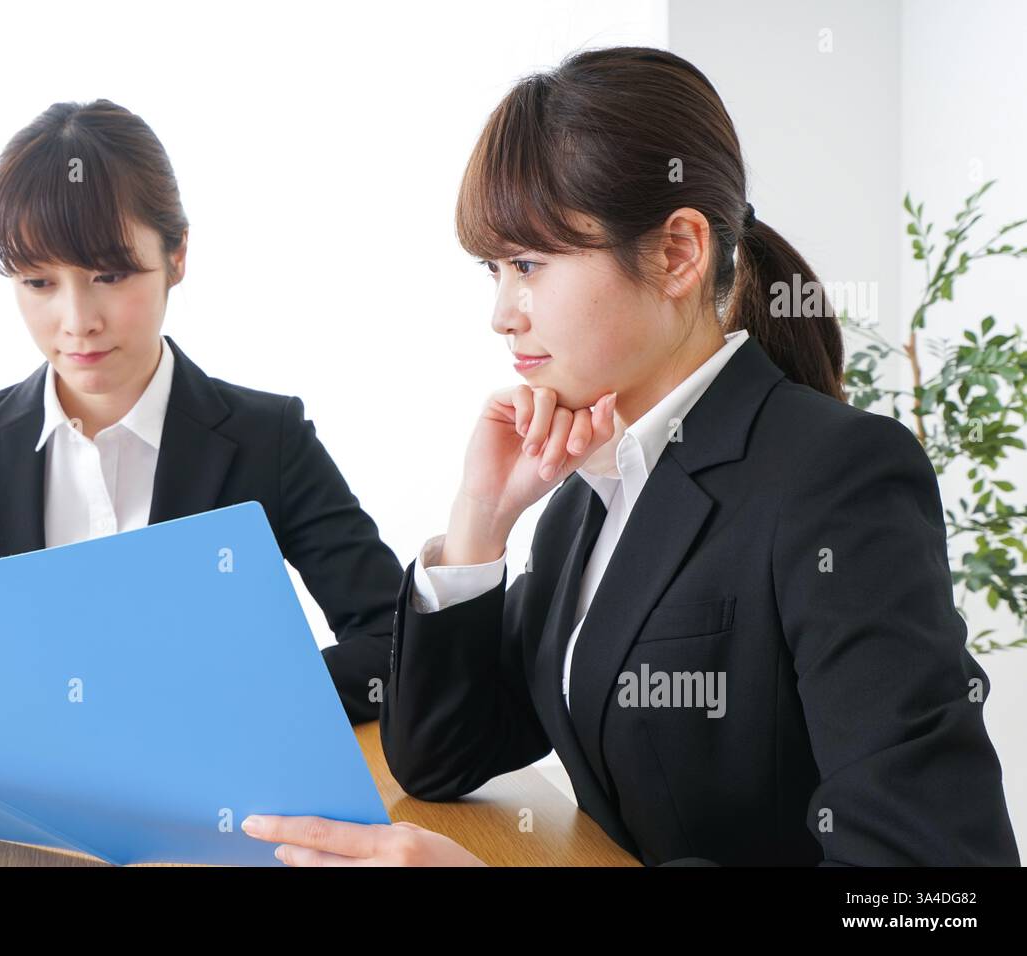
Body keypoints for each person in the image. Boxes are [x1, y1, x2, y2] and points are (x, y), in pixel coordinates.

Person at [240, 46, 1020, 864]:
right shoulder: (590, 494)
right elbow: (442, 757)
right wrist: (480, 521)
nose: (503, 313)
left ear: (678, 253)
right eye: (494, 270)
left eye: (530, 265)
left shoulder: (839, 476)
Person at [0, 99, 403, 725]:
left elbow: (393, 644)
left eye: (109, 276)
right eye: (38, 283)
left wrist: (243, 699)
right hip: (8, 813)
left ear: (177, 255)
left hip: (204, 807)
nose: (77, 321)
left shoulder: (268, 440)